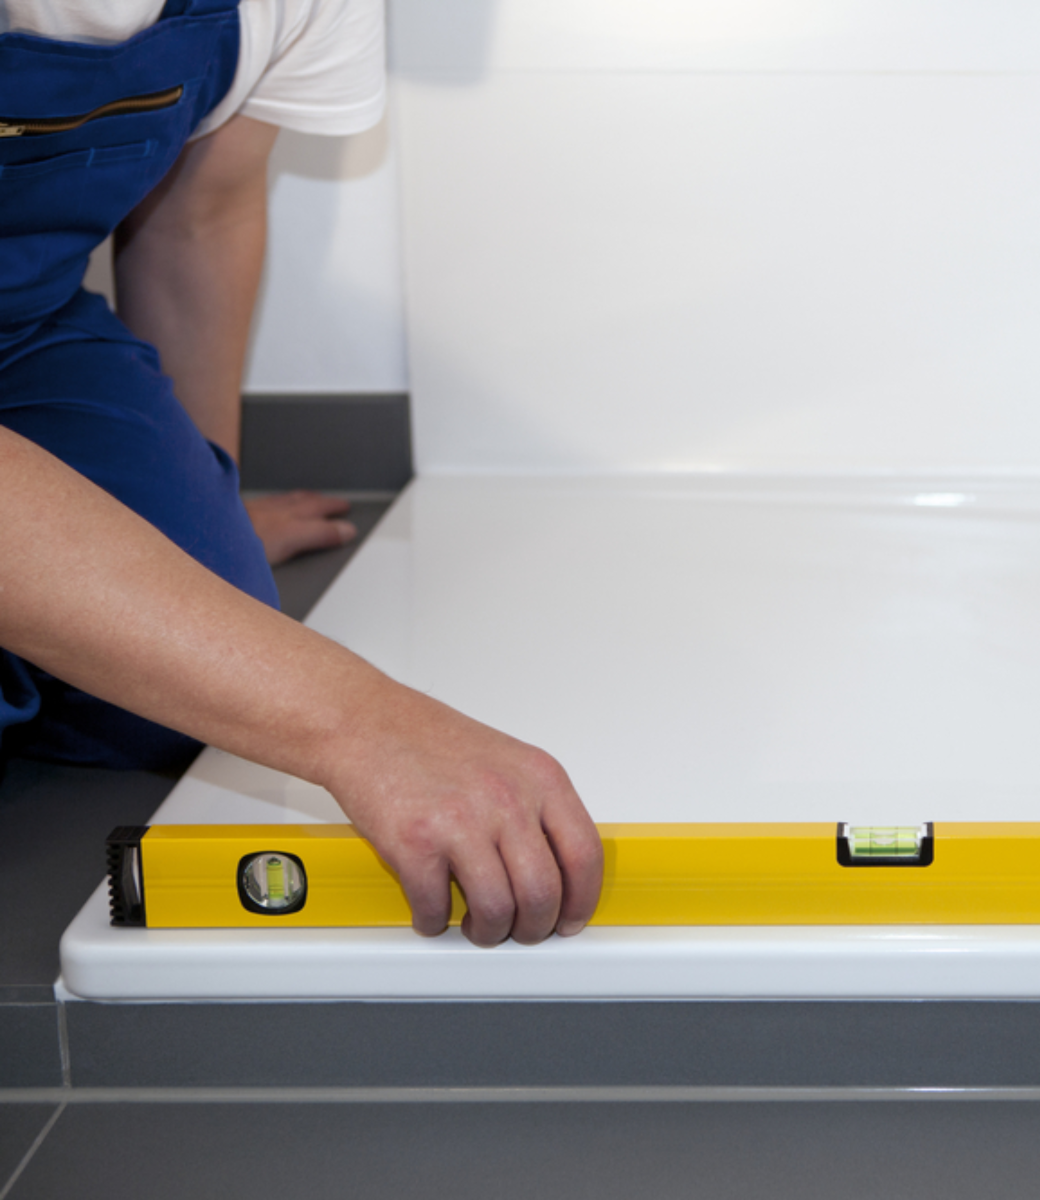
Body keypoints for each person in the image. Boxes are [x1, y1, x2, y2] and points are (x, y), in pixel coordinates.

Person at [0, 0, 603, 946]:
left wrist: (200, 516)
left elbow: (202, 217)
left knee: (178, 690)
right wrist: (361, 722)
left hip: (18, 330)